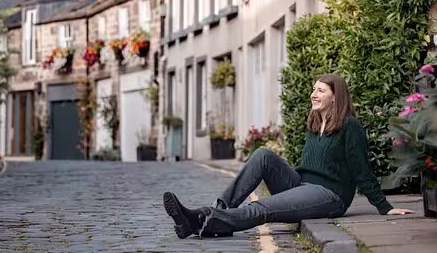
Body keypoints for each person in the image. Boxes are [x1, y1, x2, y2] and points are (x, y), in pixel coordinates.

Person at [163, 73, 414, 239]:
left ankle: (199, 220)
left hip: (330, 195)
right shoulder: (315, 122)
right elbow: (310, 166)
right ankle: (221, 210)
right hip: (304, 185)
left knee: (262, 207)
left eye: (321, 90)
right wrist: (293, 187)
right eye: (314, 89)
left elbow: (362, 170)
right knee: (262, 154)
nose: (313, 94)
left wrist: (385, 208)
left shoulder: (350, 127)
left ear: (336, 96)